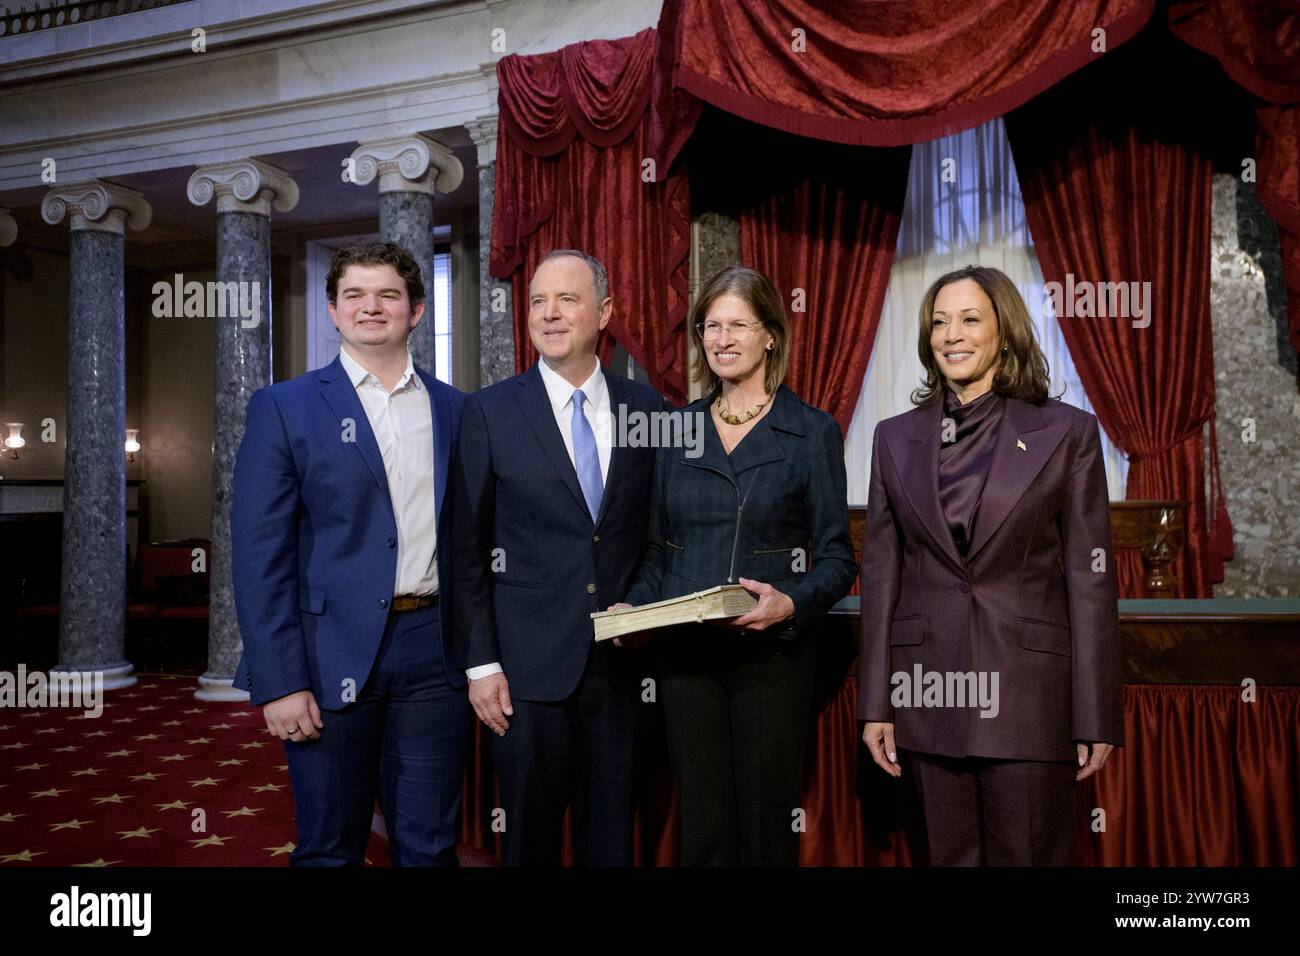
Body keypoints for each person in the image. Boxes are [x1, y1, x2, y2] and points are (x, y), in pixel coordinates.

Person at [859, 264, 1124, 866]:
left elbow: (1091, 581)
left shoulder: (1068, 431)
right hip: (927, 693)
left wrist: (1096, 711)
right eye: (939, 322)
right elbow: (881, 576)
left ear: (1004, 331)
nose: (951, 334)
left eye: (970, 319)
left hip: (1030, 697)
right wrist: (876, 702)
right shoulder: (893, 437)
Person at [231, 241, 469, 866]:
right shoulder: (284, 407)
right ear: (333, 313)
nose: (372, 307)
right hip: (325, 650)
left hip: (433, 650)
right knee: (330, 848)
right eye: (354, 296)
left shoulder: (456, 409)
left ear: (416, 310)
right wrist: (278, 681)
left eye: (388, 294)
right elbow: (260, 557)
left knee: (430, 846)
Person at [614, 264, 856, 866]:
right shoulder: (677, 431)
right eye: (709, 326)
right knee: (703, 828)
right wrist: (632, 609)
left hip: (771, 660)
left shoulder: (811, 431)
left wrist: (791, 603)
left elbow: (837, 558)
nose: (721, 339)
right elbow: (654, 552)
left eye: (737, 326)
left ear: (770, 334)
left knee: (763, 826)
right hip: (685, 659)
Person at [450, 249, 664, 866]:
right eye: (538, 301)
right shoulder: (488, 412)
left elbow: (657, 535)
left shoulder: (646, 410)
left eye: (566, 299)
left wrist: (641, 610)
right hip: (524, 673)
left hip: (621, 673)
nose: (548, 313)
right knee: (528, 845)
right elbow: (467, 550)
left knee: (611, 845)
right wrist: (481, 664)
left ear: (603, 312)